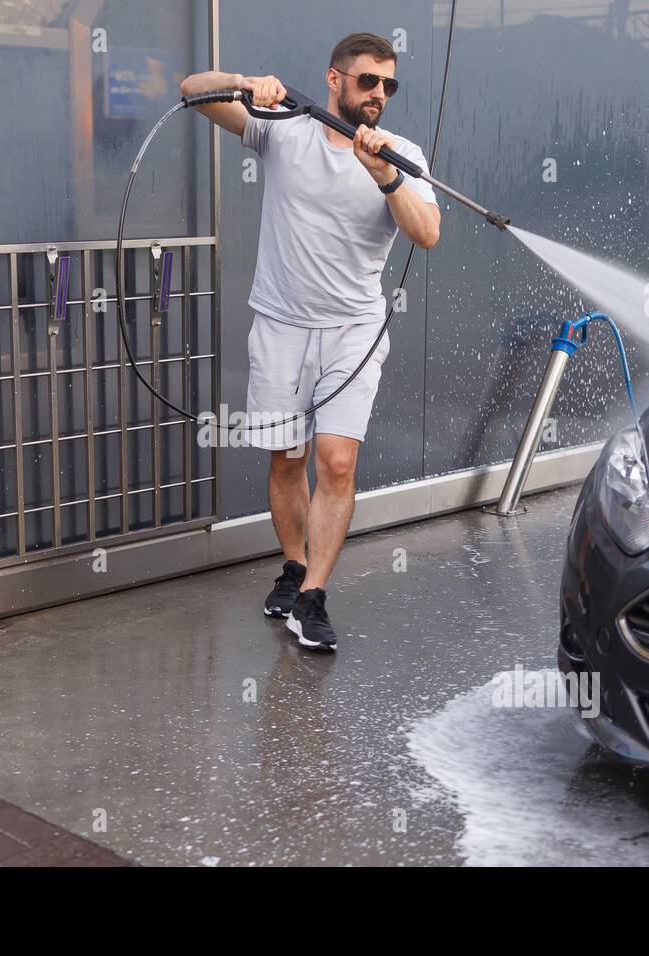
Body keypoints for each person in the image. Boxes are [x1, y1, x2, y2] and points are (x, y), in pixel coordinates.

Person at [179, 32, 441, 651]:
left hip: (354, 329)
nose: (378, 95)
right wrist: (247, 85)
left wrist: (385, 177)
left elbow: (426, 232)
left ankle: (314, 597)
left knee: (337, 460)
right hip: (279, 324)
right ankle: (294, 567)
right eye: (367, 81)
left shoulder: (399, 154)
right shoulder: (280, 128)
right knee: (287, 458)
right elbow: (191, 93)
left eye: (388, 85)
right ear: (334, 79)